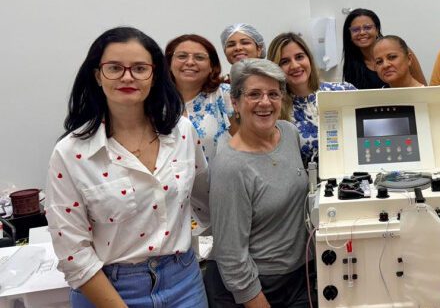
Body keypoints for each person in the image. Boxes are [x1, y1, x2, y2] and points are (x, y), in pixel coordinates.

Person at [46, 27, 210, 308]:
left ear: (154, 75)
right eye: (114, 68)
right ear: (98, 75)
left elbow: (204, 200)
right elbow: (73, 254)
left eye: (139, 68)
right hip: (109, 290)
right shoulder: (71, 153)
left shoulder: (182, 132)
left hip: (184, 283)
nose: (127, 77)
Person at [204, 58, 313, 308]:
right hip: (254, 286)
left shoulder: (288, 133)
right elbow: (231, 255)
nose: (265, 102)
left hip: (297, 275)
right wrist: (254, 299)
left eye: (273, 94)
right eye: (254, 94)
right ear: (235, 102)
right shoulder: (230, 167)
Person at [268, 32, 356, 164]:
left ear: (309, 58)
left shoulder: (345, 91)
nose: (295, 66)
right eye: (285, 61)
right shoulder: (275, 111)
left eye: (299, 57)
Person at [166, 34, 237, 163]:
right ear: (169, 64)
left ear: (212, 67)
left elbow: (247, 142)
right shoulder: (154, 99)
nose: (190, 62)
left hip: (216, 175)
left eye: (199, 57)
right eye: (182, 56)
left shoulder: (226, 94)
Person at [342, 8, 426, 89]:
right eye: (355, 30)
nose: (362, 32)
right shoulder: (352, 63)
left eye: (367, 27)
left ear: (377, 30)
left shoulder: (397, 47)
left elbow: (423, 88)